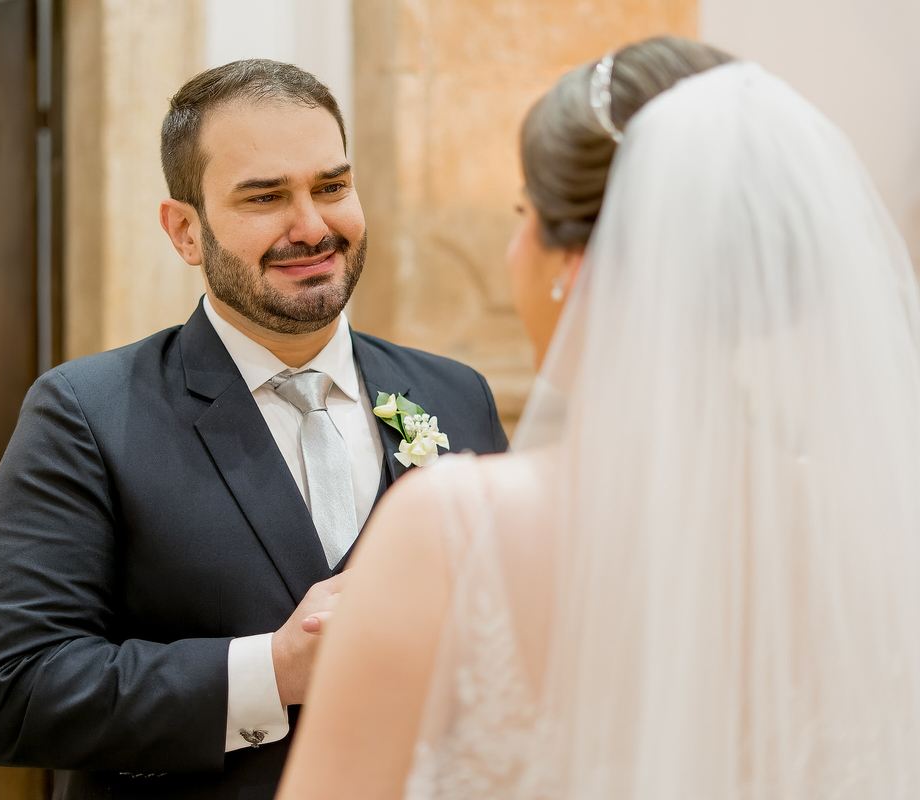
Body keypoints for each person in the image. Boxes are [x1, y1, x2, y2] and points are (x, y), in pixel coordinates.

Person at [277, 36, 920, 800]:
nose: (513, 248)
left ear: (573, 265)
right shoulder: (855, 522)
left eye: (523, 214)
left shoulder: (449, 531)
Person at [0, 59, 510, 800]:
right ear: (186, 230)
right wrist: (273, 673)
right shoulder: (84, 413)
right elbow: (11, 694)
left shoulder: (457, 395)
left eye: (332, 186)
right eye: (265, 197)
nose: (312, 227)